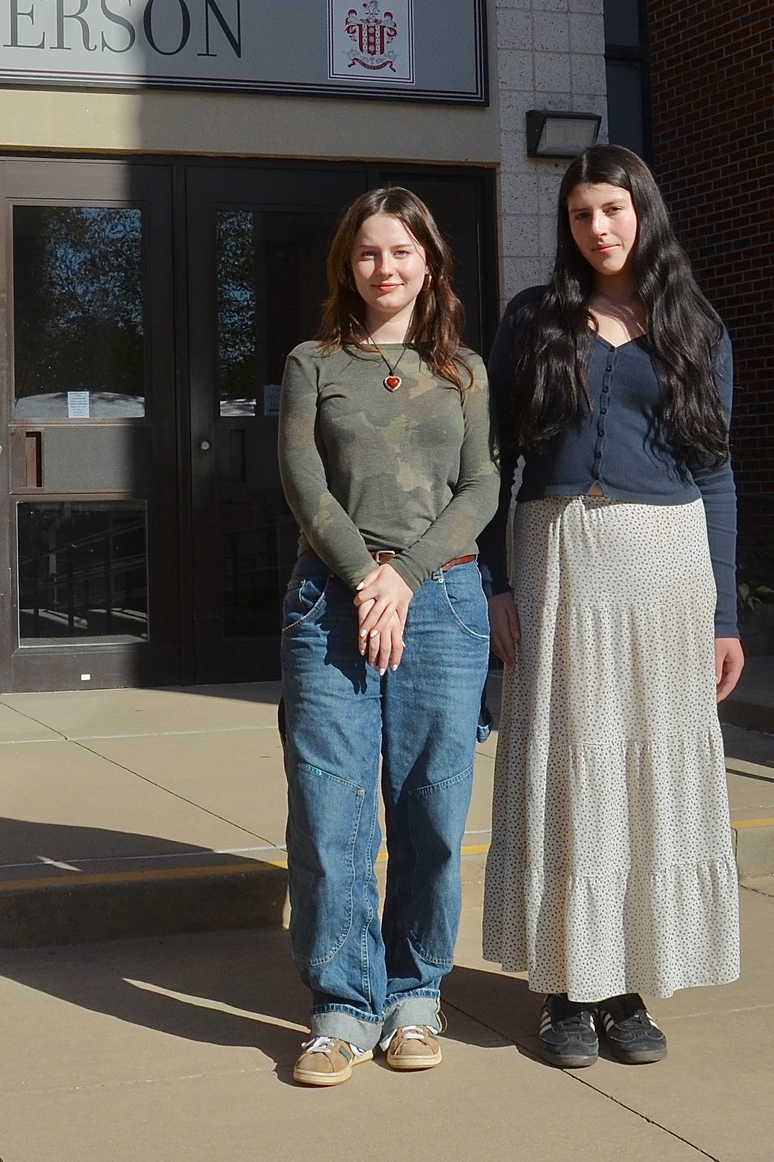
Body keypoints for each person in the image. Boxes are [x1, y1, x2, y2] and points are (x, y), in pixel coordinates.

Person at [478, 144, 744, 1069]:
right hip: (558, 561)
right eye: (583, 213)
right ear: (568, 223)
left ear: (645, 216)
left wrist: (725, 615)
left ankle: (627, 984)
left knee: (645, 778)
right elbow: (494, 465)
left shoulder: (694, 325)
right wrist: (495, 582)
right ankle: (563, 986)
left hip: (668, 569)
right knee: (569, 769)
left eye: (615, 211)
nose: (599, 228)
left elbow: (716, 474)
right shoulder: (534, 319)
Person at [277, 186, 498, 1086]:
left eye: (402, 252)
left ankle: (413, 998)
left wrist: (402, 577)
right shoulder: (313, 361)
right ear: (348, 266)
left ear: (431, 262)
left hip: (441, 606)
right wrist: (365, 575)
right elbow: (300, 475)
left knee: (431, 812)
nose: (385, 268)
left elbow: (483, 487)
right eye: (368, 254)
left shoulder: (466, 373)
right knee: (331, 812)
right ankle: (340, 1004)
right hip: (329, 607)